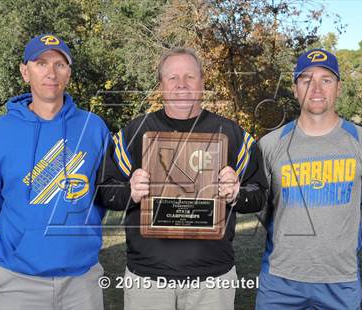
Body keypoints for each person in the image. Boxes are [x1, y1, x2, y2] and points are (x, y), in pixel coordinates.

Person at [97, 48, 268, 310]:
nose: (181, 85)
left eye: (190, 77)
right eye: (172, 78)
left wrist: (236, 193)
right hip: (148, 277)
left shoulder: (232, 134)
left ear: (202, 82)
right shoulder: (133, 132)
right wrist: (130, 191)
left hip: (212, 278)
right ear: (161, 85)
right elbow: (105, 191)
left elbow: (258, 195)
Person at [0, 34, 110, 310]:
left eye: (60, 65)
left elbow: (105, 193)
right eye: (41, 63)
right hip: (18, 283)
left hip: (82, 280)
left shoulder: (93, 128)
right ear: (25, 72)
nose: (51, 72)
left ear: (69, 73)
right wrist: (24, 240)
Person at [256, 48, 362, 310]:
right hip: (280, 280)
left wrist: (337, 229)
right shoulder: (269, 145)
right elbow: (262, 207)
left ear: (338, 87)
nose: (316, 88)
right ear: (294, 89)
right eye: (306, 80)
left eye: (326, 80)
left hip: (340, 279)